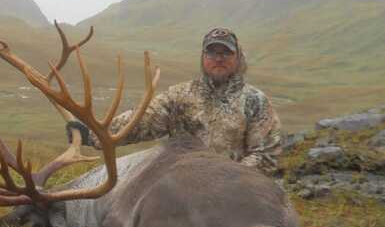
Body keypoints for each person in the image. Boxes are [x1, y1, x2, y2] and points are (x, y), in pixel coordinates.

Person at [67, 27, 282, 175]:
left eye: (226, 52)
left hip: (238, 191)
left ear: (237, 58)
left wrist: (230, 178)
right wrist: (93, 134)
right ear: (203, 57)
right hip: (181, 186)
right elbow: (144, 119)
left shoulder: (256, 101)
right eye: (212, 52)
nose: (218, 58)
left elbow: (266, 155)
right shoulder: (179, 96)